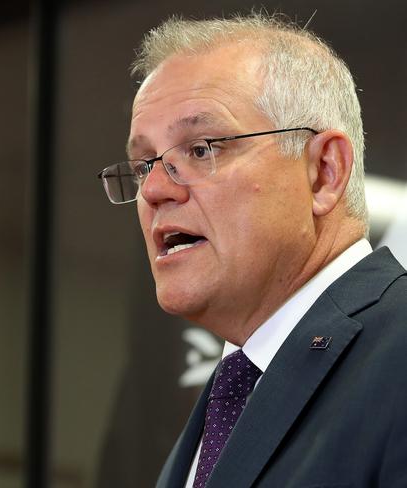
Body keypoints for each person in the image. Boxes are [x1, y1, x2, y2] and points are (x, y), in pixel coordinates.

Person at [97, 13, 407, 488]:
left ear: (324, 171)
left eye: (201, 148)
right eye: (143, 165)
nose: (154, 189)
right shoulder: (229, 394)